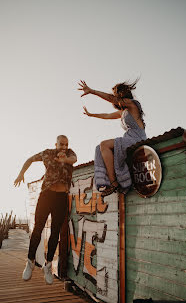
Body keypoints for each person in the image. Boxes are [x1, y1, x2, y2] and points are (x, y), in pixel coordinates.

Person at [14, 135, 77, 284]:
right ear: (56, 144)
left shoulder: (70, 153)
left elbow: (73, 159)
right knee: (38, 229)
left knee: (55, 232)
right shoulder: (47, 153)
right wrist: (21, 173)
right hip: (46, 195)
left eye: (66, 144)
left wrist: (64, 160)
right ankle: (30, 262)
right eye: (61, 144)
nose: (64, 147)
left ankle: (47, 265)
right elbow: (30, 159)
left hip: (61, 198)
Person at [78, 79, 147, 197]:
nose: (114, 97)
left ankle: (114, 182)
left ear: (121, 93)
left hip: (137, 138)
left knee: (104, 144)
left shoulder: (133, 104)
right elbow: (107, 115)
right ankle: (108, 181)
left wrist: (92, 91)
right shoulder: (123, 112)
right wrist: (91, 114)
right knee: (99, 148)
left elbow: (112, 99)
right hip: (128, 138)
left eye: (116, 94)